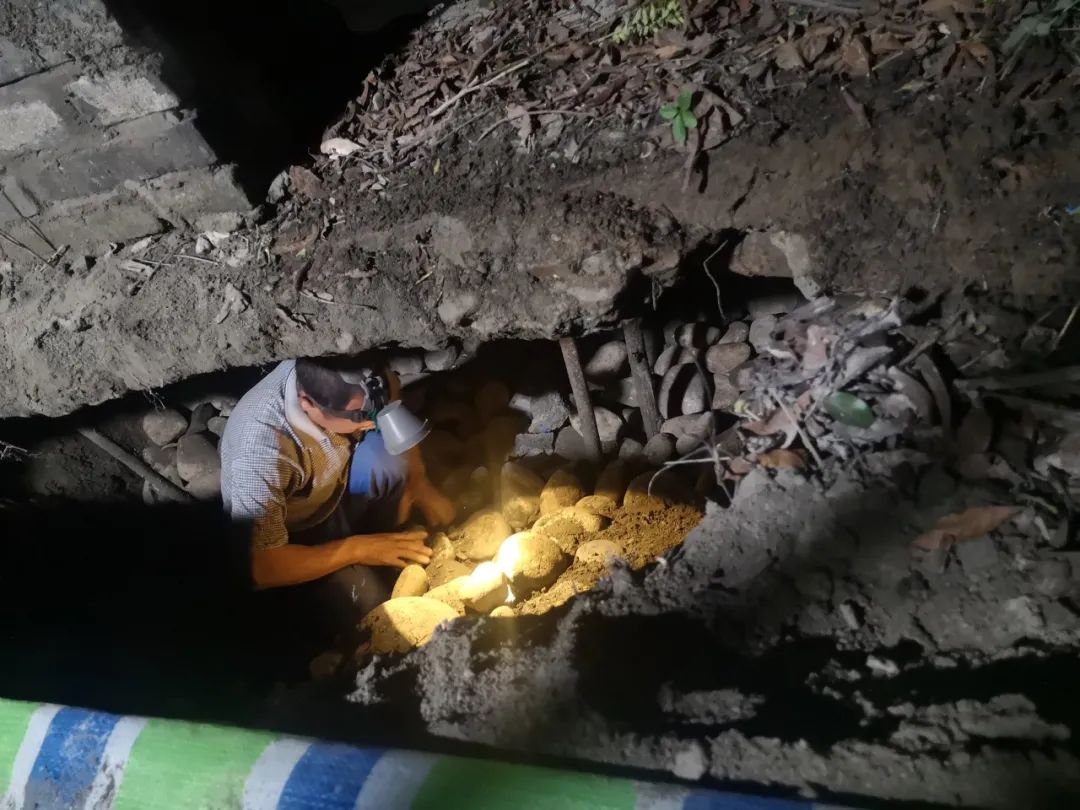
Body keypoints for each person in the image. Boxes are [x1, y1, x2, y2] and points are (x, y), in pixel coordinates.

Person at [219, 356, 454, 643]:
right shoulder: (259, 452)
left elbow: (387, 392)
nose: (371, 423)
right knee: (370, 602)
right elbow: (261, 566)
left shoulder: (357, 375)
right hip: (299, 532)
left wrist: (418, 480)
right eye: (358, 416)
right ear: (307, 403)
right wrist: (357, 549)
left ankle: (384, 536)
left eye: (376, 409)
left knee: (391, 464)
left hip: (339, 481)